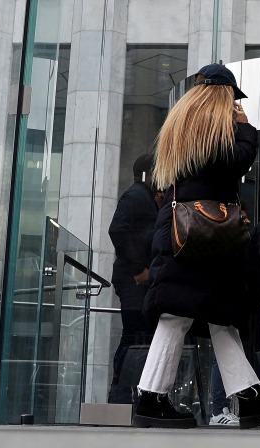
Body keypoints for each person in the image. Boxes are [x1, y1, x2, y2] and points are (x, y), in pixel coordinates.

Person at [133, 63, 260, 429]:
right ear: (223, 96)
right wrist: (246, 128)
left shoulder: (183, 125)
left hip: (189, 231)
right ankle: (151, 399)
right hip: (205, 234)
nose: (235, 104)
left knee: (217, 315)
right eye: (232, 98)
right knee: (181, 315)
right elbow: (234, 162)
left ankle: (248, 396)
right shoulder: (214, 130)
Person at [108, 152, 162, 404]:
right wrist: (138, 269)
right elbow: (117, 229)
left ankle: (124, 394)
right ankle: (121, 395)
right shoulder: (137, 195)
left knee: (136, 336)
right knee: (134, 336)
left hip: (135, 279)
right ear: (149, 173)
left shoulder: (143, 196)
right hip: (134, 280)